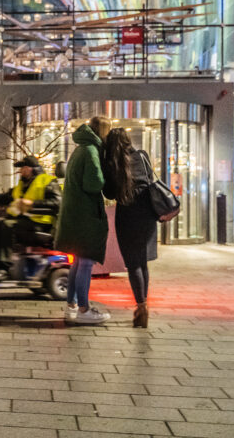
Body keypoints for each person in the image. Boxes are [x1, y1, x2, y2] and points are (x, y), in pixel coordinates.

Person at [55, 116, 112, 325]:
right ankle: (84, 309)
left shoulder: (80, 149)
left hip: (74, 214)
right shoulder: (91, 151)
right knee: (86, 262)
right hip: (84, 215)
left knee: (78, 262)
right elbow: (94, 183)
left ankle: (72, 306)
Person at [103, 128, 157, 328]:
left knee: (133, 264)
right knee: (142, 262)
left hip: (127, 216)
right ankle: (144, 305)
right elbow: (150, 179)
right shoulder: (142, 156)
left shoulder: (113, 164)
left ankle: (141, 306)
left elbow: (109, 194)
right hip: (148, 215)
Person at [0, 156, 61, 275]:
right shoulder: (22, 184)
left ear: (29, 168)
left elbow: (58, 202)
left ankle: (4, 267)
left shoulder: (47, 181)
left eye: (22, 167)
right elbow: (8, 197)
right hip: (24, 222)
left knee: (6, 225)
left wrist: (33, 204)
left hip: (41, 224)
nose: (20, 171)